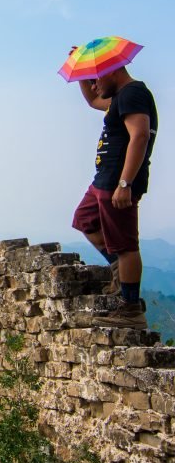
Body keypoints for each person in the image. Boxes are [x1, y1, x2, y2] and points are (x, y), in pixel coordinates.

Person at [71, 65, 158, 329]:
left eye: (97, 77)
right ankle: (120, 272)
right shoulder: (119, 97)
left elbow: (140, 135)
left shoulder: (133, 93)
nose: (95, 85)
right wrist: (83, 74)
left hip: (118, 182)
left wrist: (125, 183)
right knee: (84, 219)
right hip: (104, 180)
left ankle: (131, 308)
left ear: (113, 71)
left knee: (125, 244)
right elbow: (93, 101)